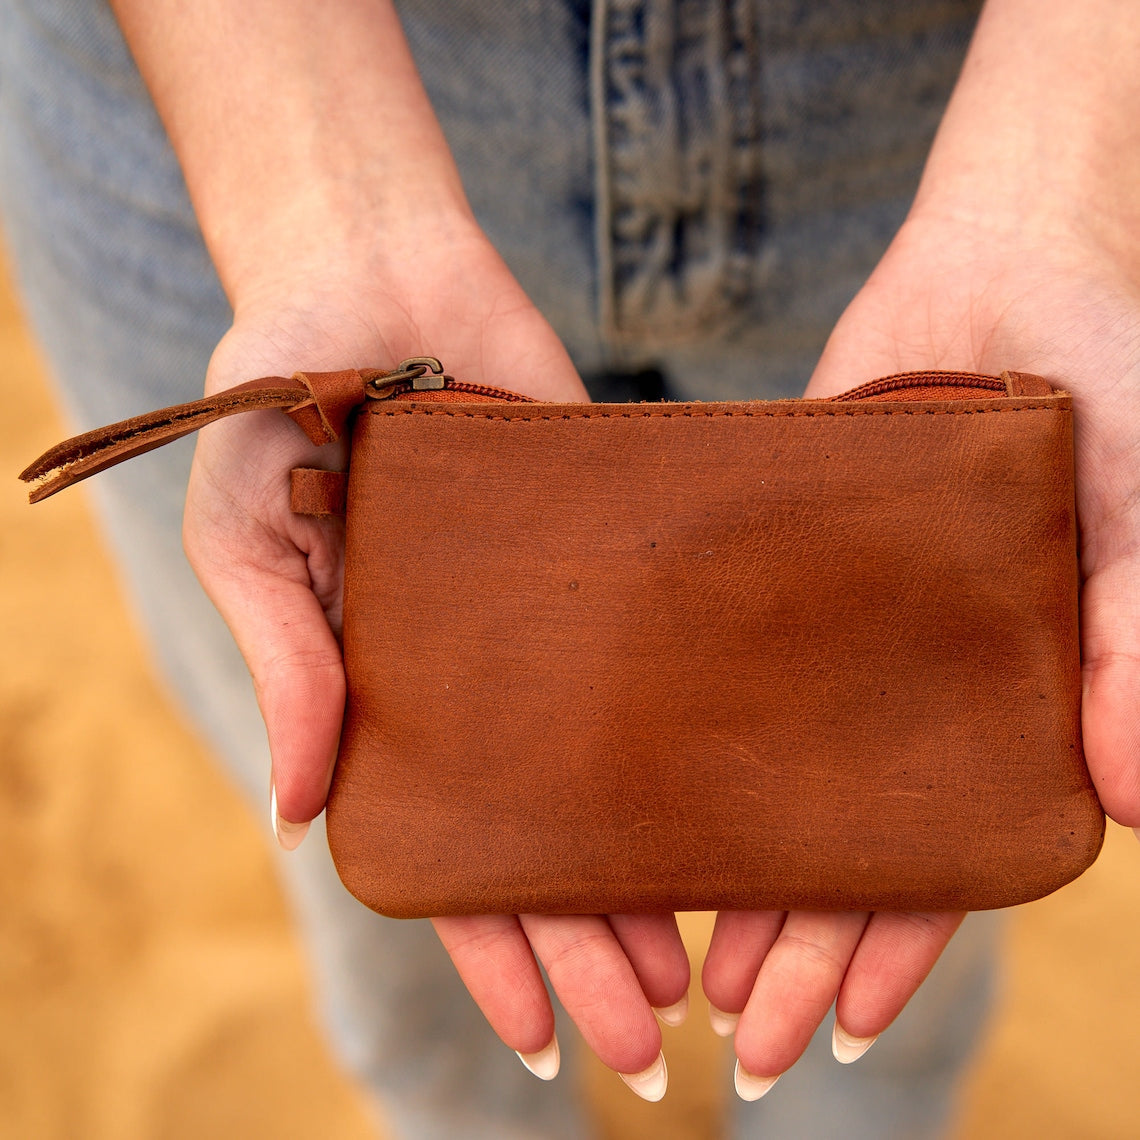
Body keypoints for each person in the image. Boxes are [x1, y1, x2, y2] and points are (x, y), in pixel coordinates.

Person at [2, 1, 1138, 1136]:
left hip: (965, 118)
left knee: (925, 836)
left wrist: (1060, 193)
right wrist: (313, 208)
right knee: (405, 922)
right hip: (238, 116)